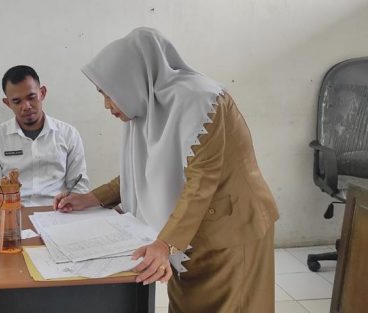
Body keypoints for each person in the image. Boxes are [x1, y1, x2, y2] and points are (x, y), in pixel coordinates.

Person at [54, 28, 279, 312]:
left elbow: (200, 182)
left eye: (108, 94)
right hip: (189, 232)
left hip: (230, 229)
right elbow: (150, 171)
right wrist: (92, 198)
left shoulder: (202, 101)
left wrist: (165, 243)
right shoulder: (150, 106)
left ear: (131, 80)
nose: (107, 105)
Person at [0, 65, 89, 208]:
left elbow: (79, 186)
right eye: (17, 101)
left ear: (42, 93)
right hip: (11, 212)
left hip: (58, 212)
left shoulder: (68, 134)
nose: (26, 106)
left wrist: (69, 204)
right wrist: (10, 206)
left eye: (31, 97)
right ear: (7, 103)